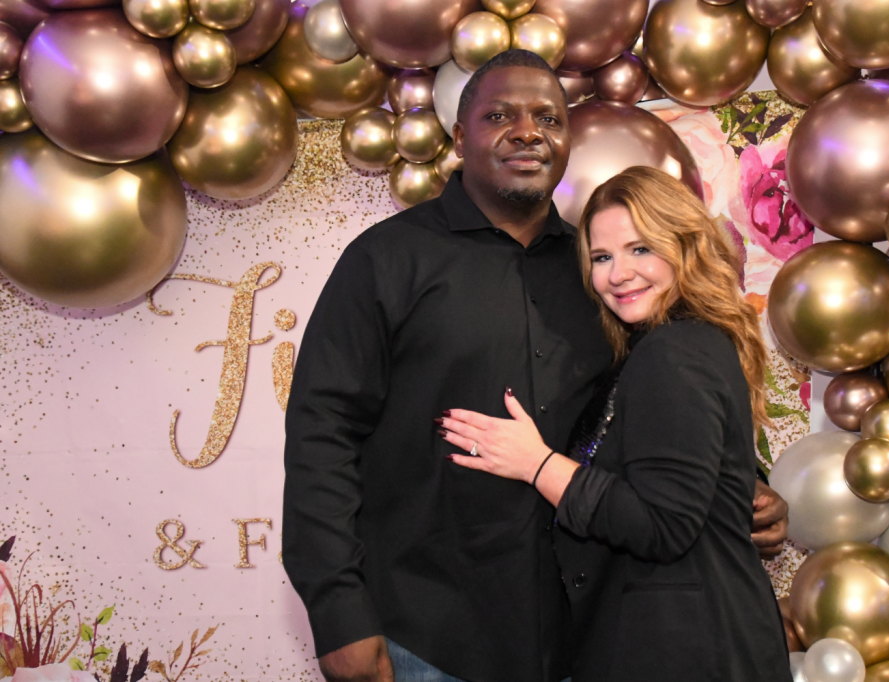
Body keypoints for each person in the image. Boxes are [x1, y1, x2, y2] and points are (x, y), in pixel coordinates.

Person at [283, 50, 789, 682]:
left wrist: (741, 484)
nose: (528, 131)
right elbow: (320, 437)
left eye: (548, 118)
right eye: (500, 115)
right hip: (424, 630)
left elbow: (658, 405)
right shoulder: (386, 261)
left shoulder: (600, 275)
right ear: (460, 135)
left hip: (578, 635)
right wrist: (339, 615)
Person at [438, 166, 792, 681]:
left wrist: (537, 465)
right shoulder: (671, 346)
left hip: (688, 653)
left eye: (640, 249)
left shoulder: (673, 353)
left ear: (685, 247)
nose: (618, 274)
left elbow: (662, 525)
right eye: (602, 257)